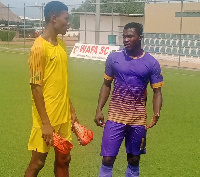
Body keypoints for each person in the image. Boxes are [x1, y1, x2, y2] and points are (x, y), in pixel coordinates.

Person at [94, 22, 164, 177]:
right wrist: (99, 109)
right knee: (107, 159)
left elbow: (157, 91)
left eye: (130, 36)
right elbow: (106, 84)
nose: (125, 39)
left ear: (140, 37)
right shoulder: (114, 58)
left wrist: (156, 112)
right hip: (115, 117)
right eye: (124, 36)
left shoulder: (151, 63)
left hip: (138, 120)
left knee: (133, 159)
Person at [25, 1, 78, 177]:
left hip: (63, 116)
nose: (69, 22)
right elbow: (36, 88)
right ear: (54, 18)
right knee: (38, 162)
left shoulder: (61, 46)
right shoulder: (39, 48)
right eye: (66, 18)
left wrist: (70, 110)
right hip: (46, 118)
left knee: (64, 159)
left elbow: (62, 82)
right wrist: (46, 124)